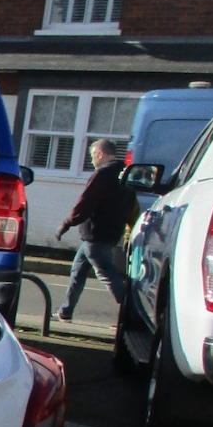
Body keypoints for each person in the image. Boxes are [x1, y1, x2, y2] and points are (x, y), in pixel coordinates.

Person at [56, 138, 132, 322]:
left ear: (101, 154)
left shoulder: (102, 174)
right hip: (112, 231)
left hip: (96, 233)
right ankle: (65, 311)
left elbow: (85, 203)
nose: (92, 162)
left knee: (106, 272)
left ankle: (131, 313)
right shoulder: (125, 173)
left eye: (92, 157)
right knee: (78, 271)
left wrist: (66, 224)